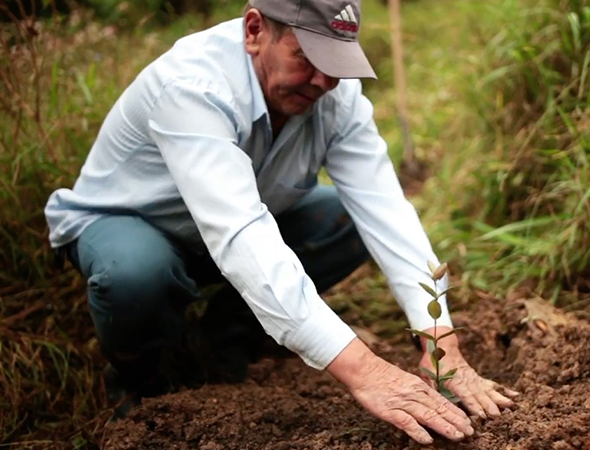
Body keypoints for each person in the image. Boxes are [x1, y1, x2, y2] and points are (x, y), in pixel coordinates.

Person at [44, 0, 518, 444]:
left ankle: (225, 339)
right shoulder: (193, 86)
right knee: (135, 274)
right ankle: (137, 383)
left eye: (334, 65)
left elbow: (385, 210)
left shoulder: (337, 94)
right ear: (255, 31)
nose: (321, 82)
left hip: (232, 233)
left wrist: (440, 342)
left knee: (345, 217)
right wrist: (364, 370)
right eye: (305, 58)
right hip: (134, 226)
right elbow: (240, 232)